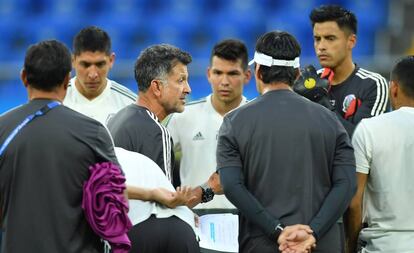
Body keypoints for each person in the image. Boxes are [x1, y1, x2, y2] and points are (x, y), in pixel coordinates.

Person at [217, 31, 356, 253]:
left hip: (262, 244)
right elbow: (347, 184)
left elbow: (232, 186)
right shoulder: (330, 120)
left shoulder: (234, 122)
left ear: (258, 71)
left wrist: (277, 230)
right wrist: (313, 232)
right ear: (297, 72)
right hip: (320, 244)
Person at [0, 40, 125, 252]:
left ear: (23, 77)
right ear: (67, 79)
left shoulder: (3, 129)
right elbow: (115, 203)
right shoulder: (92, 132)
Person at [108, 44, 199, 253]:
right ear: (157, 87)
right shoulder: (156, 132)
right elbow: (167, 207)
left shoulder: (118, 119)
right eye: (181, 80)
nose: (188, 89)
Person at [166, 39, 251, 214]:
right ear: (208, 74)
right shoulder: (183, 115)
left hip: (247, 220)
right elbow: (156, 158)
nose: (224, 81)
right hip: (195, 217)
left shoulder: (258, 117)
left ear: (247, 76)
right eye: (218, 72)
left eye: (233, 73)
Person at [346, 56, 414, 253]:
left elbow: (354, 201)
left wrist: (350, 247)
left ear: (393, 88)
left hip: (383, 246)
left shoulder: (369, 129)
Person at [308, 5, 389, 136]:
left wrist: (323, 105)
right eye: (317, 39)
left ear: (351, 41)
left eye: (330, 38)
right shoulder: (309, 84)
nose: (321, 47)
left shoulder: (373, 85)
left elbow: (364, 142)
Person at [63, 26, 136, 125]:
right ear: (73, 61)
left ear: (111, 61)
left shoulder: (130, 105)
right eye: (85, 64)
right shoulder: (56, 100)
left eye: (100, 64)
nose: (93, 74)